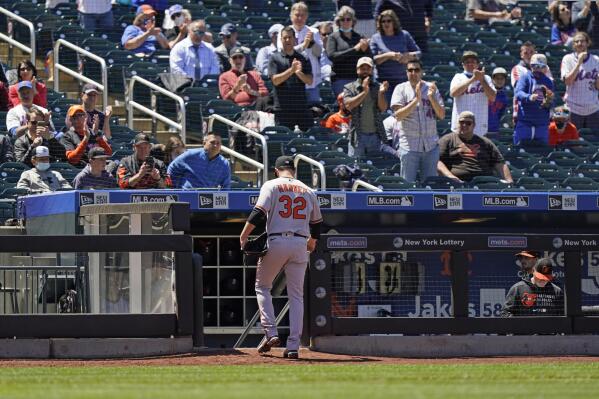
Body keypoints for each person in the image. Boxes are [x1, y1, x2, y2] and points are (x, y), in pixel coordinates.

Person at [239, 155, 322, 360]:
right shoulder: (308, 189)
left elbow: (259, 212)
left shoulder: (272, 184)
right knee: (296, 296)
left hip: (277, 240)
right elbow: (318, 223)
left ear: (276, 170)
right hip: (300, 243)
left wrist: (244, 235)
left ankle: (271, 332)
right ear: (293, 170)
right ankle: (293, 346)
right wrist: (312, 241)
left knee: (262, 287)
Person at [388, 59, 445, 183]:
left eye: (416, 70)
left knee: (430, 186)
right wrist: (416, 100)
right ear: (406, 72)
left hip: (430, 146)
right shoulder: (400, 89)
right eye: (410, 70)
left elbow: (441, 115)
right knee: (407, 186)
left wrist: (431, 97)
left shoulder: (431, 88)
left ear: (422, 72)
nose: (413, 72)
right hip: (409, 147)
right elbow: (398, 116)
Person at [437, 111, 513, 183]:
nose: (464, 125)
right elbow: (438, 161)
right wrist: (451, 177)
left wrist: (509, 181)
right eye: (461, 122)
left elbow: (499, 163)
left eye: (468, 123)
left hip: (484, 183)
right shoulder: (448, 140)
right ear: (457, 123)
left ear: (474, 125)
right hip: (458, 182)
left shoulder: (485, 142)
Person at [370, 10, 421, 105]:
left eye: (389, 21)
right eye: (383, 21)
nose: (386, 23)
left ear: (394, 22)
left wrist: (408, 56)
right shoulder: (375, 38)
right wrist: (388, 55)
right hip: (384, 82)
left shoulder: (404, 35)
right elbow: (372, 60)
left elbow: (419, 53)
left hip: (403, 80)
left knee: (403, 109)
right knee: (386, 111)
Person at [269, 26, 314, 131]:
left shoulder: (303, 58)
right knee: (284, 140)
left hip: (301, 107)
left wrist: (298, 73)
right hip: (283, 108)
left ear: (295, 39)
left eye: (290, 37)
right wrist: (291, 70)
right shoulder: (274, 58)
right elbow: (275, 81)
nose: (287, 40)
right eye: (285, 38)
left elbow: (310, 81)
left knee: (308, 138)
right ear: (281, 40)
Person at [277, 2, 323, 104]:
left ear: (306, 16)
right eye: (297, 15)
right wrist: (304, 45)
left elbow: (319, 53)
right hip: (290, 80)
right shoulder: (284, 32)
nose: (299, 18)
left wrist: (312, 43)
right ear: (291, 16)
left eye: (302, 15)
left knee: (313, 112)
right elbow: (284, 52)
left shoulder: (313, 31)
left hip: (310, 81)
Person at [343, 57, 389, 157]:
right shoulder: (349, 87)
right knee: (355, 168)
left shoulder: (377, 87)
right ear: (357, 70)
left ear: (372, 70)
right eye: (362, 68)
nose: (365, 71)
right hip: (357, 136)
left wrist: (381, 93)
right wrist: (364, 92)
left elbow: (383, 108)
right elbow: (348, 105)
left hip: (375, 135)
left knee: (374, 166)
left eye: (368, 68)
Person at [326, 6, 372, 97]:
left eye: (348, 19)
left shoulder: (359, 37)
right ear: (339, 21)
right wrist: (355, 49)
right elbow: (332, 56)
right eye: (343, 19)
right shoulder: (333, 37)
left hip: (357, 79)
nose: (346, 22)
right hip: (340, 79)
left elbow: (369, 58)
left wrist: (365, 50)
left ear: (353, 21)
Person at [450, 51, 496, 137]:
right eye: (467, 62)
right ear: (463, 65)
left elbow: (492, 97)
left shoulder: (486, 78)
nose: (470, 64)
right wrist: (473, 79)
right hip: (460, 126)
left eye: (473, 61)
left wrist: (481, 80)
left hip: (479, 127)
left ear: (477, 64)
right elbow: (453, 93)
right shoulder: (458, 77)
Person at [561, 32, 599, 129]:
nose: (579, 43)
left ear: (587, 43)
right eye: (576, 41)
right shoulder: (567, 59)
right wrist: (578, 63)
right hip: (573, 109)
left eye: (582, 41)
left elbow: (597, 86)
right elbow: (568, 82)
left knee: (594, 142)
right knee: (573, 143)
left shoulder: (596, 60)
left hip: (593, 109)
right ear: (573, 44)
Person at [514, 54, 555, 145]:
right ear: (531, 66)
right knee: (521, 150)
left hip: (541, 123)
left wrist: (548, 103)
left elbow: (552, 102)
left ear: (545, 68)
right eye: (535, 66)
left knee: (541, 152)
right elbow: (518, 93)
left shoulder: (548, 81)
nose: (538, 69)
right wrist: (529, 97)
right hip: (525, 121)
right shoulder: (525, 77)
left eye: (541, 66)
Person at [488, 67, 509, 138]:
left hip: (494, 129)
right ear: (492, 79)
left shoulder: (504, 97)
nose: (499, 81)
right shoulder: (486, 91)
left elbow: (501, 114)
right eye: (497, 78)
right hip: (481, 127)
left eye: (502, 79)